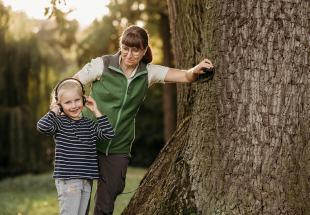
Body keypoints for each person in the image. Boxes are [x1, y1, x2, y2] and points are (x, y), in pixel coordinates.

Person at [74, 25, 214, 215]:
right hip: (88, 140)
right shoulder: (102, 64)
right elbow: (73, 84)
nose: (129, 54)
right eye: (125, 48)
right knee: (78, 199)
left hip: (118, 146)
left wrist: (196, 70)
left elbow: (184, 76)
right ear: (120, 46)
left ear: (144, 50)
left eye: (135, 50)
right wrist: (59, 106)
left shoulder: (148, 72)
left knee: (106, 204)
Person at [36, 78, 115, 215]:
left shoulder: (89, 125)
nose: (74, 106)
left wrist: (96, 110)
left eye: (77, 100)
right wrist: (54, 111)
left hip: (86, 179)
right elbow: (42, 126)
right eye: (67, 102)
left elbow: (108, 134)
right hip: (69, 179)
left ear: (83, 100)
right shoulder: (59, 123)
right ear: (60, 105)